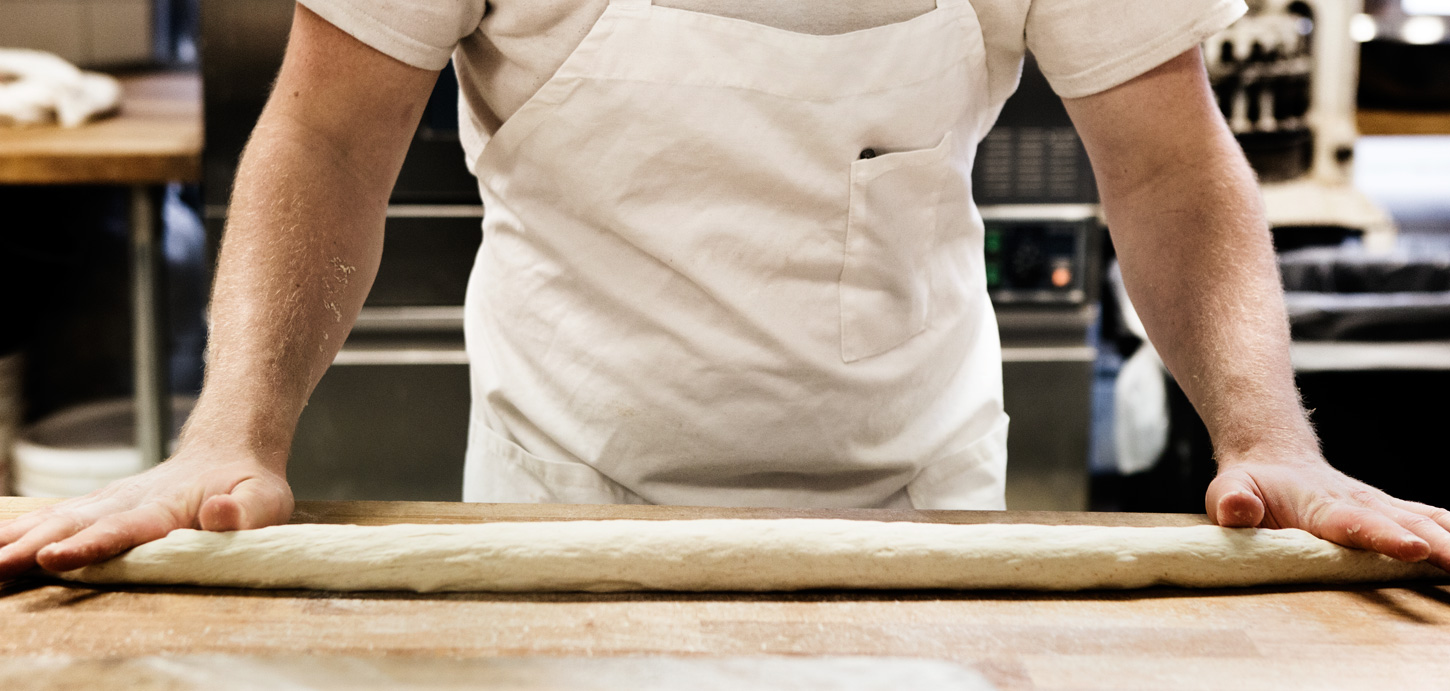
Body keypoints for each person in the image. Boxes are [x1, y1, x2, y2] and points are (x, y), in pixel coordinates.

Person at [2, 0, 1447, 579]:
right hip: (563, 500)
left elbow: (1169, 170)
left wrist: (1270, 439)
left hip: (916, 518)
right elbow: (326, 132)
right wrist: (230, 438)